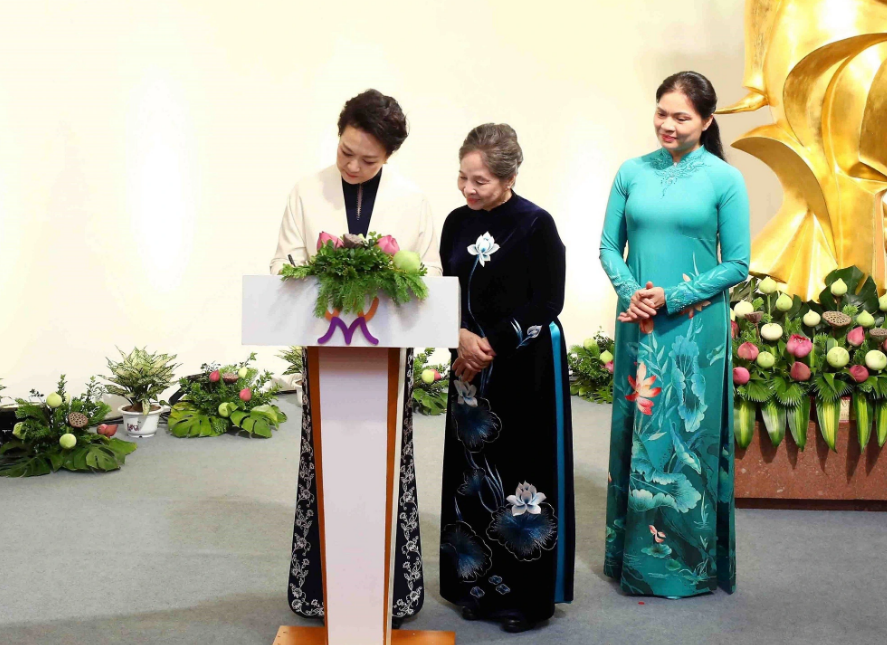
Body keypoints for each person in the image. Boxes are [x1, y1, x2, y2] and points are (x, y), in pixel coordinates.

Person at [270, 89, 442, 626]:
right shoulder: (305, 190)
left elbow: (431, 275)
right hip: (326, 358)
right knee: (323, 465)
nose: (353, 166)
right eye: (346, 152)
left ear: (389, 155)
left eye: (368, 160)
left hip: (387, 361)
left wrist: (395, 280)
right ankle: (319, 592)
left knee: (390, 465)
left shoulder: (412, 198)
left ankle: (393, 593)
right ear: (338, 134)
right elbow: (282, 267)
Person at [600, 71, 750, 598]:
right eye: (662, 112)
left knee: (686, 440)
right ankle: (634, 562)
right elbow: (605, 247)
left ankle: (686, 563)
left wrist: (673, 296)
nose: (667, 124)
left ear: (706, 121)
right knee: (637, 432)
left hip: (694, 331)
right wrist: (633, 293)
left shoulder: (724, 180)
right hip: (638, 321)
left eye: (681, 116)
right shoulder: (630, 172)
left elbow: (737, 264)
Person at [438, 123, 575, 633]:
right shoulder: (456, 222)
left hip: (522, 370)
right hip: (468, 374)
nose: (469, 190)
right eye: (463, 177)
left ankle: (526, 598)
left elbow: (548, 301)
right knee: (471, 478)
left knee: (522, 481)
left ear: (509, 176)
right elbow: (442, 288)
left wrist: (490, 342)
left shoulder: (536, 224)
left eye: (480, 182)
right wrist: (459, 337)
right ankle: (475, 587)